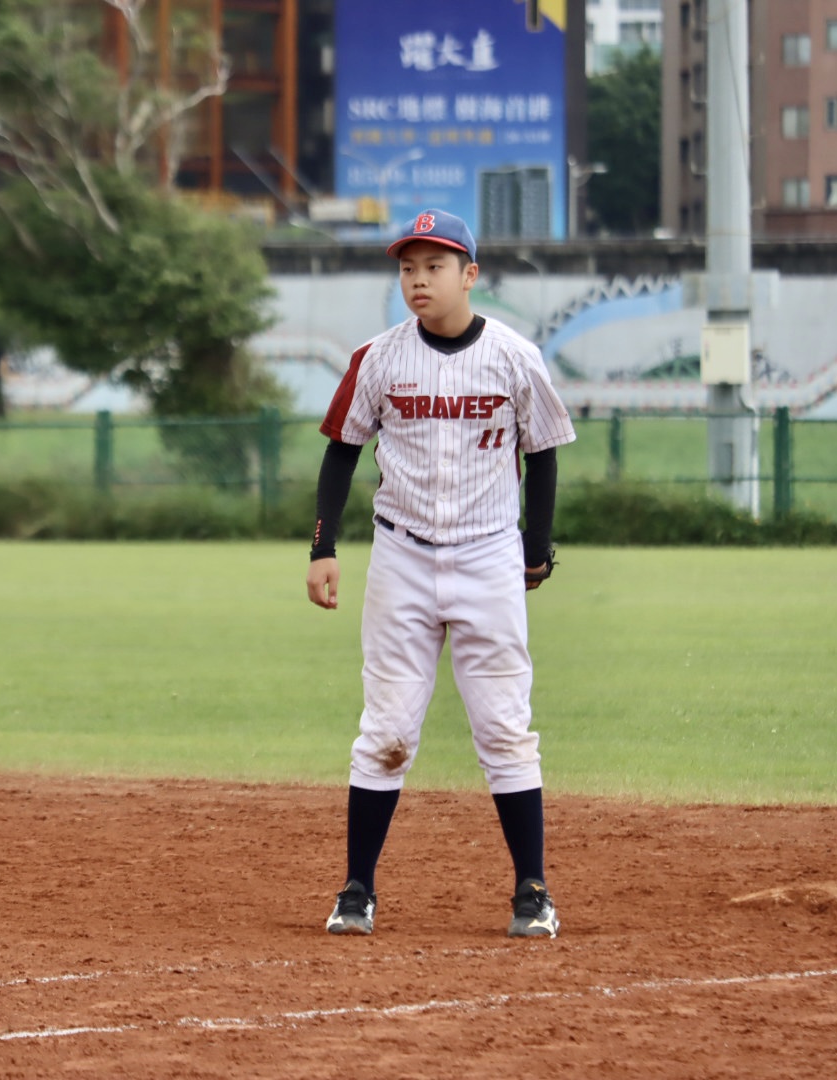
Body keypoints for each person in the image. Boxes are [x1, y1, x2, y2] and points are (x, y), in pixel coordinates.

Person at [306, 208, 575, 938]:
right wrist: (323, 547)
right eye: (407, 268)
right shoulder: (378, 358)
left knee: (505, 728)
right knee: (386, 730)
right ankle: (357, 889)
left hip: (488, 554)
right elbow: (341, 451)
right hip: (402, 555)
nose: (418, 280)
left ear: (469, 274)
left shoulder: (515, 356)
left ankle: (532, 891)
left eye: (434, 266)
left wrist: (536, 548)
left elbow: (544, 452)